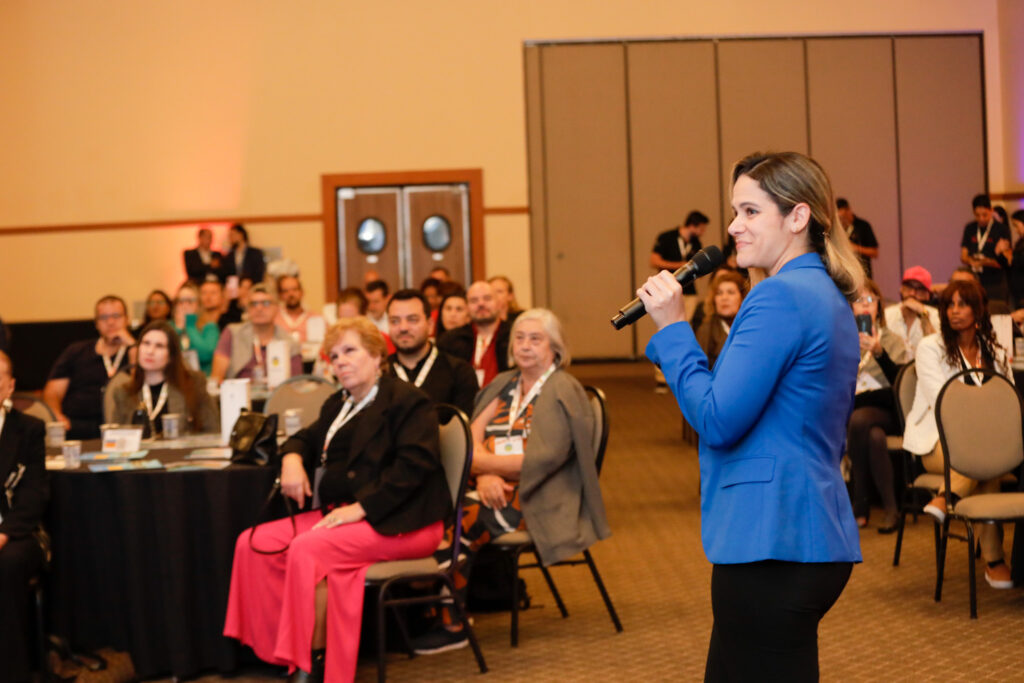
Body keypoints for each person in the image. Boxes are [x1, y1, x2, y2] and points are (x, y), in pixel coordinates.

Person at [639, 152, 863, 680]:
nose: (733, 227)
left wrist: (672, 329)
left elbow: (716, 418)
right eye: (733, 212)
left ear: (798, 217)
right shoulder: (822, 292)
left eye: (749, 211)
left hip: (772, 536)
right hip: (802, 528)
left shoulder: (778, 297)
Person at [223, 318, 450, 683]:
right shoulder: (339, 403)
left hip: (404, 520)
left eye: (350, 351)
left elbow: (415, 467)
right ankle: (276, 651)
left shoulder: (408, 401)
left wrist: (361, 509)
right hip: (346, 515)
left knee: (307, 549)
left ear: (377, 355)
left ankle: (310, 661)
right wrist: (292, 459)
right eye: (334, 355)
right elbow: (303, 439)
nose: (340, 361)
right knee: (252, 544)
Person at [413, 308, 610, 654]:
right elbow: (467, 437)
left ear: (556, 347)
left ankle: (450, 620)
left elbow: (543, 459)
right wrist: (486, 474)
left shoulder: (564, 389)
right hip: (495, 488)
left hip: (541, 494)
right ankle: (436, 609)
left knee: (461, 520)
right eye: (520, 338)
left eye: (536, 339)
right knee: (439, 510)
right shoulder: (503, 383)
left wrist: (484, 465)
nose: (525, 346)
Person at [902, 279, 1014, 589]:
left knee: (987, 466)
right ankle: (994, 561)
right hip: (937, 443)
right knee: (986, 463)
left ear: (978, 310)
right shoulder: (930, 348)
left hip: (984, 446)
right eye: (949, 305)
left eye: (963, 304)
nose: (955, 311)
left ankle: (948, 496)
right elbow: (944, 400)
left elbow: (1009, 399)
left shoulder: (995, 351)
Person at [846, 280, 910, 532]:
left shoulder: (892, 340)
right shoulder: (842, 340)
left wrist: (879, 351)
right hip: (854, 412)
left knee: (860, 421)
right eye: (858, 300)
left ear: (878, 306)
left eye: (869, 300)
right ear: (849, 307)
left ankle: (860, 503)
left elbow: (900, 384)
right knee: (872, 436)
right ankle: (891, 509)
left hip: (887, 411)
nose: (864, 305)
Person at [0, 351, 48, 683]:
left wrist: (4, 533)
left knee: (5, 565)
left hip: (16, 533)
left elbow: (34, 494)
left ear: (9, 386)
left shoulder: (29, 429)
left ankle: (12, 672)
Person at [44, 296, 135, 439]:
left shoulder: (138, 351)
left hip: (122, 427)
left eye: (116, 316)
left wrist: (132, 344)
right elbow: (53, 392)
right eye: (103, 317)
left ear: (127, 319)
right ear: (96, 323)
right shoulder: (76, 351)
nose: (110, 322)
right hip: (76, 427)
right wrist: (57, 415)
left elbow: (141, 383)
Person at [104, 322, 218, 434]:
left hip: (181, 451)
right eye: (146, 343)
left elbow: (213, 430)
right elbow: (116, 439)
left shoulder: (193, 383)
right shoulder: (123, 392)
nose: (150, 351)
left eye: (159, 346)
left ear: (171, 356)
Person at [386, 289, 477, 416]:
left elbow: (463, 431)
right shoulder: (379, 374)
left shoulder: (459, 373)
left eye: (412, 320)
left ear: (430, 325)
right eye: (395, 321)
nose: (403, 328)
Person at [211, 285, 302, 384]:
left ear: (277, 308)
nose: (259, 308)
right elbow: (216, 378)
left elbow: (296, 384)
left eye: (266, 303)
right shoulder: (232, 333)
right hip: (238, 395)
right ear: (247, 309)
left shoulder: (290, 343)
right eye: (253, 304)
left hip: (278, 396)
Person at [437, 281, 511, 388]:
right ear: (467, 307)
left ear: (498, 303)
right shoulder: (450, 341)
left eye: (487, 298)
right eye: (474, 300)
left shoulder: (514, 336)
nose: (481, 304)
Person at [650, 210, 709, 317]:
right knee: (669, 322)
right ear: (693, 225)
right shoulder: (666, 237)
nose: (703, 233)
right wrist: (681, 265)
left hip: (689, 291)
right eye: (702, 229)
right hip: (668, 290)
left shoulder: (696, 243)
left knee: (687, 323)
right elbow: (654, 261)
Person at [960, 194, 1011, 303]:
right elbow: (963, 255)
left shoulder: (1001, 229)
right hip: (975, 280)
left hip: (995, 282)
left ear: (991, 210)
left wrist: (985, 262)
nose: (981, 219)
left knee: (995, 310)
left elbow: (1007, 260)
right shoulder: (970, 228)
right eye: (977, 215)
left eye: (985, 215)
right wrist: (971, 261)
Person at [693, 270, 748, 369]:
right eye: (719, 293)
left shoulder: (750, 326)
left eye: (730, 293)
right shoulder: (706, 330)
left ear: (742, 298)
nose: (724, 298)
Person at [883, 266, 940, 359]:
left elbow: (937, 350)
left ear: (928, 295)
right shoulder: (887, 314)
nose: (912, 293)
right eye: (909, 287)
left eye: (919, 289)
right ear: (901, 289)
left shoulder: (936, 316)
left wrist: (923, 314)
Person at [172, 283, 220, 375]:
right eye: (180, 301)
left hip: (203, 380)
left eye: (189, 301)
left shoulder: (210, 327)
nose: (185, 305)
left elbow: (206, 355)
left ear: (198, 304)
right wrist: (178, 329)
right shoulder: (169, 326)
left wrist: (189, 323)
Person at [835, 198, 879, 279]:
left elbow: (875, 252)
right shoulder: (837, 229)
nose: (841, 221)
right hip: (844, 275)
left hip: (863, 275)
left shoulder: (863, 226)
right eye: (838, 218)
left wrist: (855, 248)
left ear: (848, 210)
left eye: (842, 217)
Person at [275, 275, 324, 344]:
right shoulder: (274, 319)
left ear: (302, 292)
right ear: (280, 295)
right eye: (285, 291)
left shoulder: (316, 318)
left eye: (294, 289)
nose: (291, 294)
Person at [1006, 210, 1024, 309]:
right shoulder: (1020, 242)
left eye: (1017, 225)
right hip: (1016, 289)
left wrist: (1011, 257)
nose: (1016, 230)